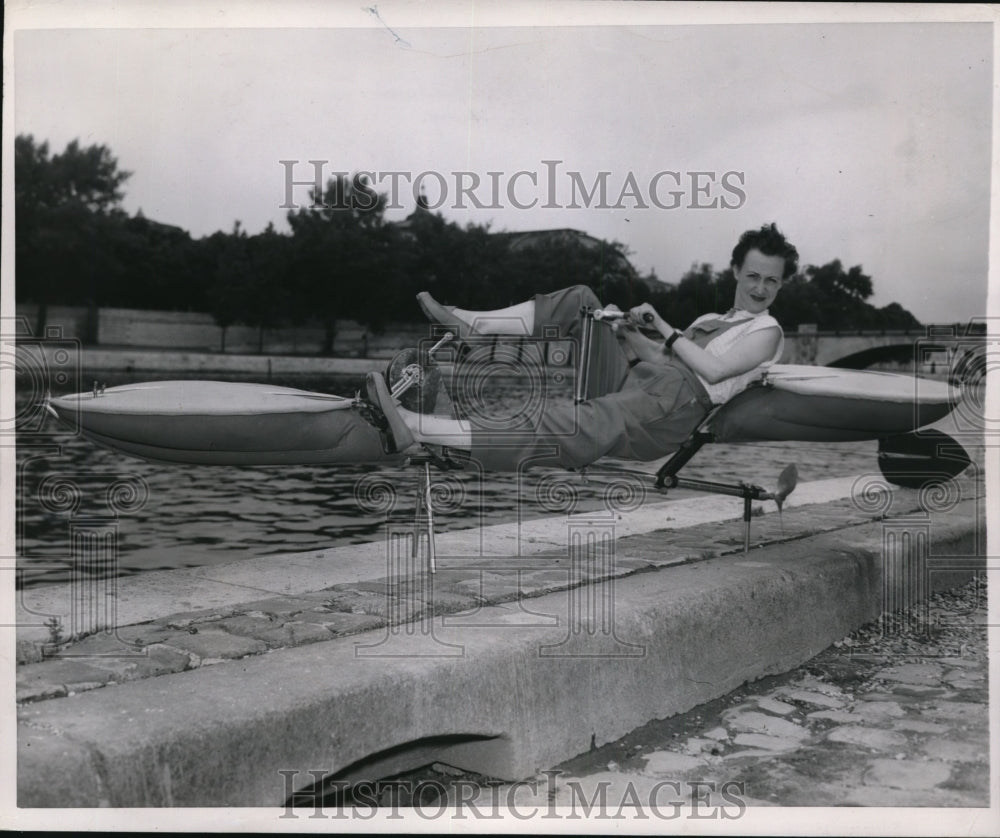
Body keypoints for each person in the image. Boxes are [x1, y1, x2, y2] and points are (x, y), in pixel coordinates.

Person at [365, 223, 799, 472]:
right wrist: (627, 331)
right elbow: (664, 359)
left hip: (673, 410)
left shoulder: (769, 331)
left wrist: (663, 325)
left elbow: (715, 372)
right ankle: (472, 323)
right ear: (737, 272)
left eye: (772, 280)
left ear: (782, 284)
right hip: (644, 383)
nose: (761, 288)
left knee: (560, 419)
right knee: (584, 302)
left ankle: (416, 428)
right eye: (753, 276)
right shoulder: (710, 321)